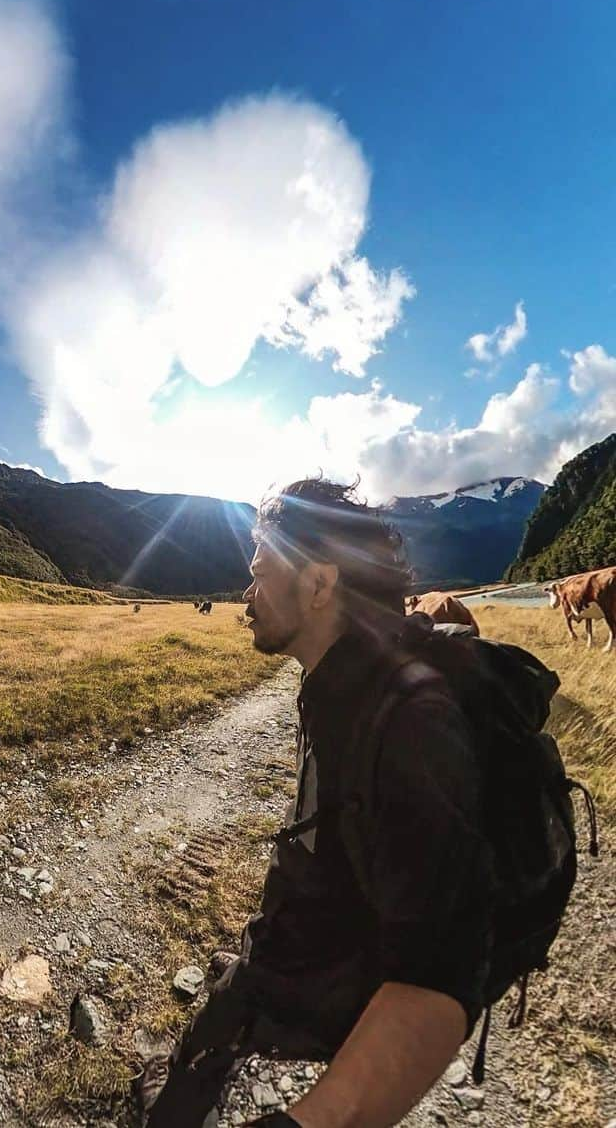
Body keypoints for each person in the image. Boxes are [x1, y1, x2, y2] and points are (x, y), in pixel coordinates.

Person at [138, 477, 493, 1127]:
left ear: (320, 585)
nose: (246, 594)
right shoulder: (336, 684)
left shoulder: (413, 724)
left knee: (210, 1035)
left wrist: (306, 1122)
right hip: (284, 950)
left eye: (261, 573)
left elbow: (441, 978)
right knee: (210, 1025)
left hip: (327, 982)